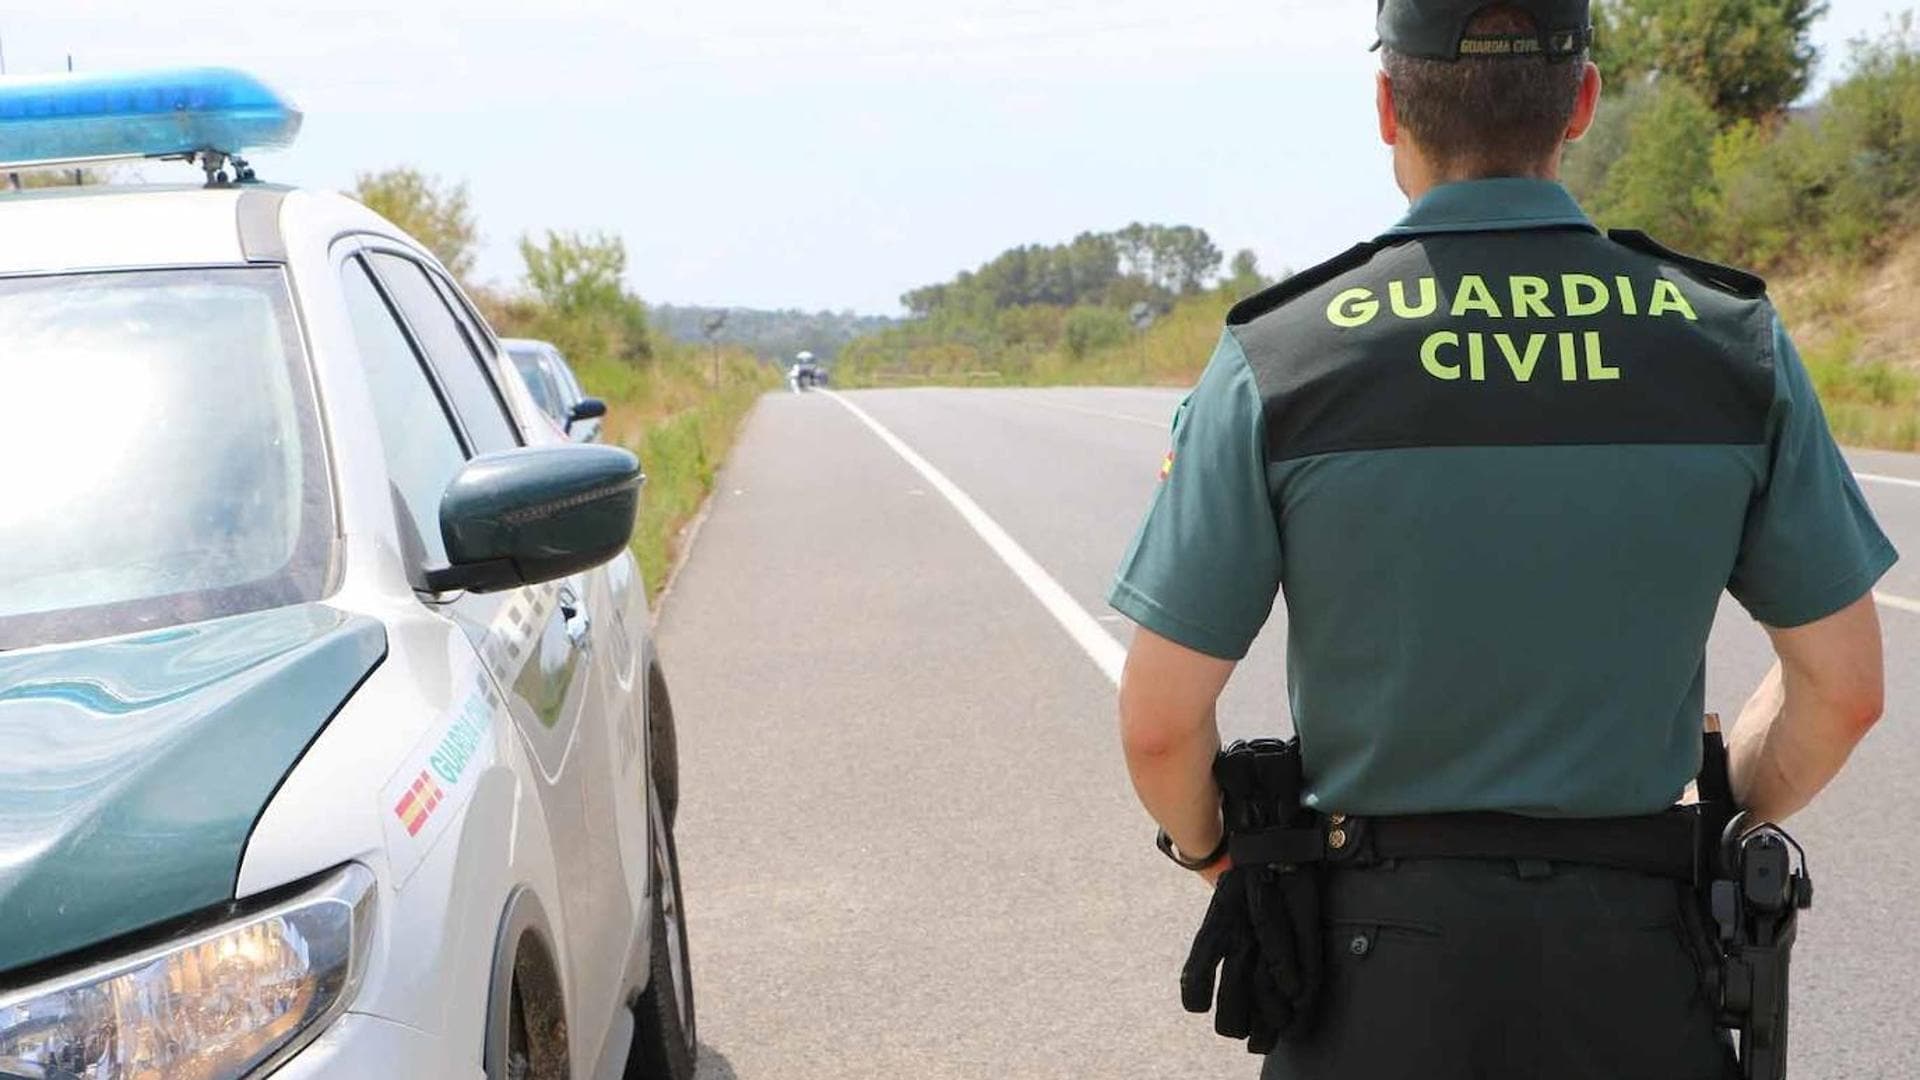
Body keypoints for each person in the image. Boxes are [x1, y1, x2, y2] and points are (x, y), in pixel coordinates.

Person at [1106, 2, 1897, 1076]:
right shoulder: (1728, 346)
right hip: (1638, 969)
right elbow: (1844, 690)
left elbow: (1159, 726)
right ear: (1581, 101)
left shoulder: (1280, 359)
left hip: (1370, 976)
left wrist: (1225, 858)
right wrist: (1732, 802)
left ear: (1388, 106)